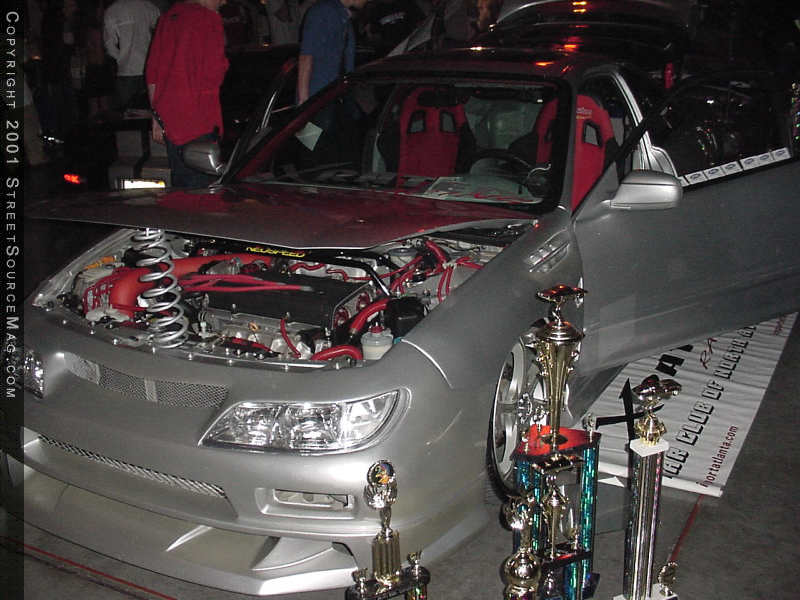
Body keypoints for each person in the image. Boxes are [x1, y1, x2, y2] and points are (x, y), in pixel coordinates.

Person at [146, 0, 229, 187]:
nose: (223, 2)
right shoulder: (209, 19)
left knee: (182, 187)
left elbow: (152, 73)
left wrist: (156, 117)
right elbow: (214, 73)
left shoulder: (168, 18)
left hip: (171, 120)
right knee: (202, 190)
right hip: (199, 119)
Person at [297, 0, 369, 104]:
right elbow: (306, 55)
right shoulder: (322, 11)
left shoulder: (344, 17)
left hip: (336, 94)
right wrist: (304, 101)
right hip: (318, 95)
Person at [103, 0, 161, 110]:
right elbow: (159, 36)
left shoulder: (113, 9)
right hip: (149, 69)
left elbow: (109, 44)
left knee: (127, 112)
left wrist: (121, 58)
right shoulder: (150, 7)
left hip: (127, 71)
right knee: (150, 111)